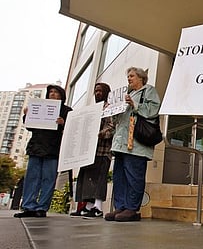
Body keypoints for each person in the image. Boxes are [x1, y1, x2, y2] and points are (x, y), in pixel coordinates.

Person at [105, 67, 161, 222]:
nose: (129, 78)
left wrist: (134, 103)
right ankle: (121, 206)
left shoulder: (148, 90)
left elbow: (153, 110)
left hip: (136, 145)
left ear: (141, 78)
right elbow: (119, 120)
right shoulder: (126, 95)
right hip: (121, 143)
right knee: (120, 176)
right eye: (127, 76)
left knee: (134, 176)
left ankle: (132, 208)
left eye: (132, 76)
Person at [14, 85, 72, 218]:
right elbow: (29, 127)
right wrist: (27, 115)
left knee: (48, 179)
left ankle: (42, 208)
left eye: (56, 92)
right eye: (50, 92)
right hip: (36, 147)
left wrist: (64, 123)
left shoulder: (67, 111)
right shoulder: (39, 106)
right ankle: (29, 207)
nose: (52, 94)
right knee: (32, 178)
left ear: (61, 95)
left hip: (53, 149)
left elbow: (72, 129)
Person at [70, 82, 115, 219]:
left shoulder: (109, 108)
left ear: (106, 92)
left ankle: (98, 207)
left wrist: (100, 133)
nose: (97, 93)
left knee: (99, 178)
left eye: (100, 91)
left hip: (102, 151)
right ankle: (88, 207)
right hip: (88, 151)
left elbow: (112, 127)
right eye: (96, 91)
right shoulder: (91, 110)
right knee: (86, 178)